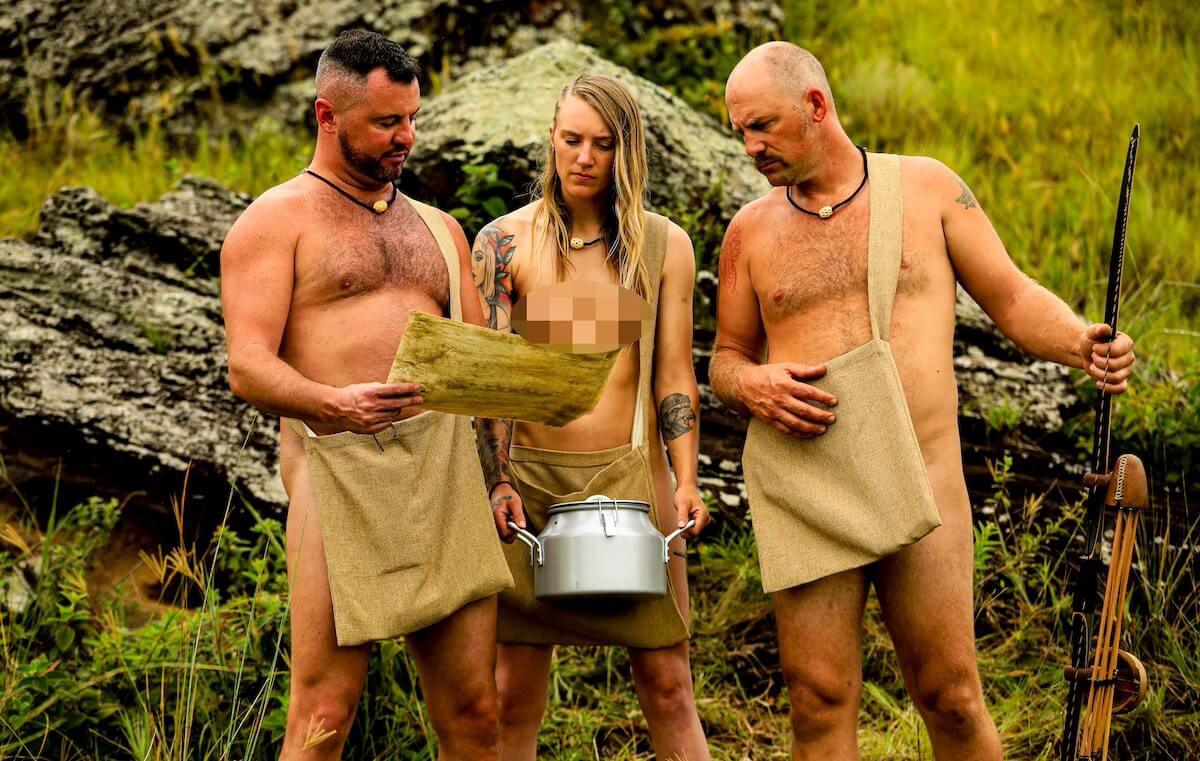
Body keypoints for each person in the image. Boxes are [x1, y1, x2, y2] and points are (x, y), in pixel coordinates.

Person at [710, 42, 1136, 761]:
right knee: (816, 698)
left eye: (762, 126)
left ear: (815, 105)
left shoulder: (929, 189)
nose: (751, 147)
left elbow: (1012, 296)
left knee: (951, 695)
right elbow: (727, 356)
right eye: (740, 132)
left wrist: (1081, 340)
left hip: (924, 474)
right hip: (808, 486)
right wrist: (750, 384)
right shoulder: (748, 231)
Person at [220, 29, 513, 760]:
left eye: (412, 118)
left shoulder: (440, 229)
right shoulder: (275, 221)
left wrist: (501, 477)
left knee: (476, 711)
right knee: (323, 715)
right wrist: (334, 404)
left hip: (444, 476)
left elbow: (477, 368)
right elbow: (247, 367)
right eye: (386, 122)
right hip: (337, 473)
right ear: (327, 116)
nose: (406, 136)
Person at [471, 74, 712, 760]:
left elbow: (673, 375)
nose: (584, 157)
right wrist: (498, 481)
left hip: (633, 485)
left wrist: (686, 481)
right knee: (512, 693)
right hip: (529, 492)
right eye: (572, 139)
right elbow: (492, 382)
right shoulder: (503, 243)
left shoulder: (662, 247)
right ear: (551, 138)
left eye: (603, 144)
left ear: (626, 151)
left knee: (668, 685)